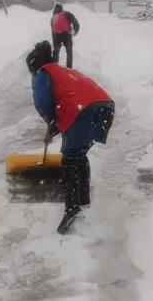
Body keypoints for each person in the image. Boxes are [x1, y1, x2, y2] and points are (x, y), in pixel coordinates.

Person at [26, 41, 114, 234]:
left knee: (71, 158)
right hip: (103, 107)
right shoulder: (61, 70)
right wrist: (55, 126)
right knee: (78, 155)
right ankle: (83, 204)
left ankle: (73, 211)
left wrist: (51, 123)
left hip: (83, 110)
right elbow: (67, 98)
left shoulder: (42, 73)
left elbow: (43, 103)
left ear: (33, 65)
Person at [50, 3, 80, 68]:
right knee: (69, 51)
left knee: (56, 51)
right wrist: (75, 31)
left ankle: (54, 66)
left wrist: (54, 42)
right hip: (66, 34)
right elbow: (75, 22)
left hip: (56, 36)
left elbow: (52, 29)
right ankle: (69, 68)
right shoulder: (66, 14)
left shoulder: (53, 17)